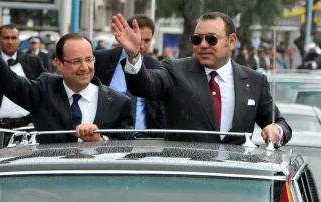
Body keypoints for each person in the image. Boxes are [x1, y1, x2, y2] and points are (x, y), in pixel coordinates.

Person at [111, 12, 292, 146]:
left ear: (231, 41)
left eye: (211, 39)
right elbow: (144, 85)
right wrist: (134, 56)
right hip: (184, 181)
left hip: (236, 183)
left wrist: (276, 131)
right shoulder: (175, 70)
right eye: (197, 39)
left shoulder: (254, 81)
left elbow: (281, 124)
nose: (203, 45)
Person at [0, 6, 134, 144]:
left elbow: (127, 146)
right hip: (50, 178)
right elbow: (10, 83)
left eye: (89, 59)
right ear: (59, 63)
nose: (84, 67)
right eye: (76, 61)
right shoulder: (44, 90)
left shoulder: (118, 102)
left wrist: (101, 139)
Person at [94, 14, 165, 138]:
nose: (142, 45)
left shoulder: (157, 67)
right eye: (137, 38)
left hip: (143, 140)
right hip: (106, 139)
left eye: (147, 40)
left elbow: (159, 110)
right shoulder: (101, 60)